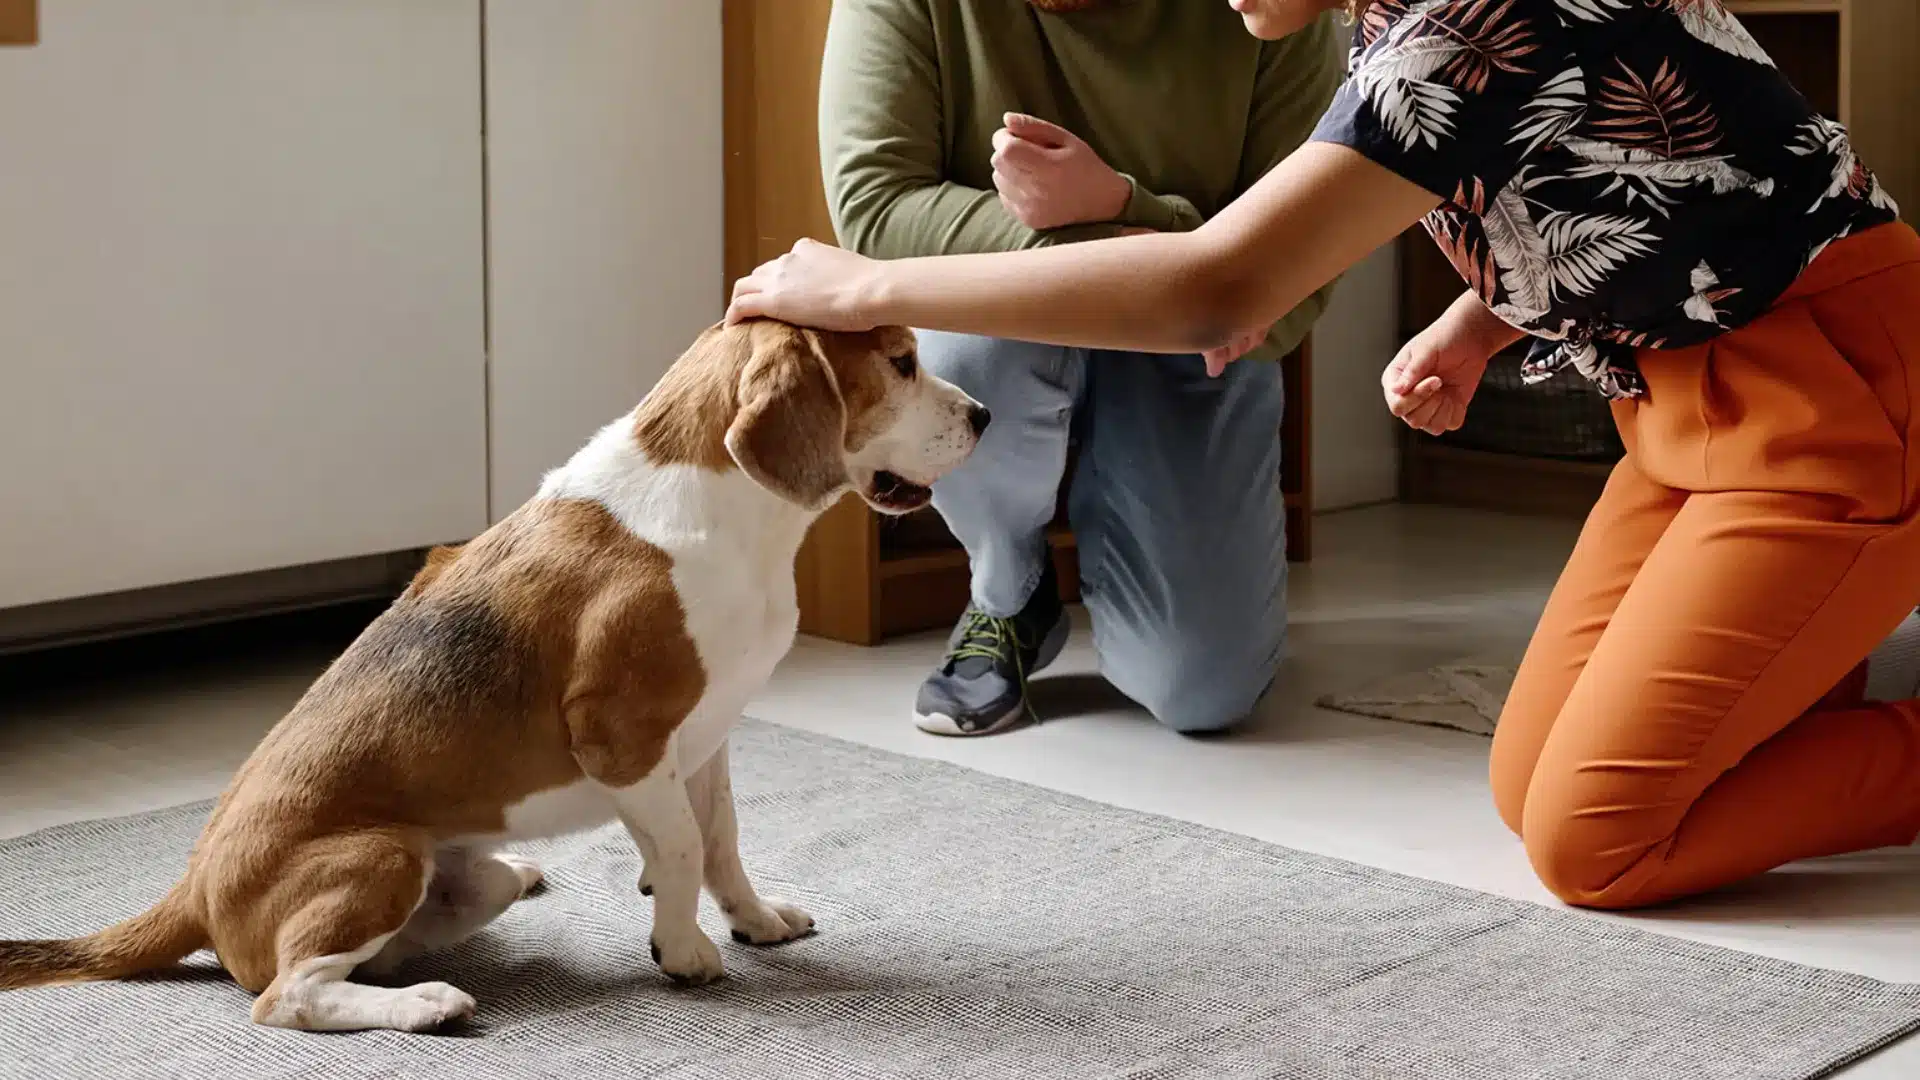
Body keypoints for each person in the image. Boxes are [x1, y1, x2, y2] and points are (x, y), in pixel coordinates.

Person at [732, 0, 1920, 911]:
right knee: (1527, 783)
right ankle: (1809, 679)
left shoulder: (1442, 40)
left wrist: (863, 283)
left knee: (1595, 842)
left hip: (1837, 404)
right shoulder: (1389, 26)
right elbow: (1635, 185)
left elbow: (1224, 290)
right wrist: (1477, 322)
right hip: (1685, 410)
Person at [817, 0, 1345, 738]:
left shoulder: (1277, 8)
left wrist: (1123, 208)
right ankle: (1010, 593)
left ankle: (1128, 514)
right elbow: (875, 211)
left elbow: (1291, 286)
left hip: (1190, 338)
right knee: (960, 353)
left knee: (1204, 691)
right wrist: (1122, 233)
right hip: (1008, 314)